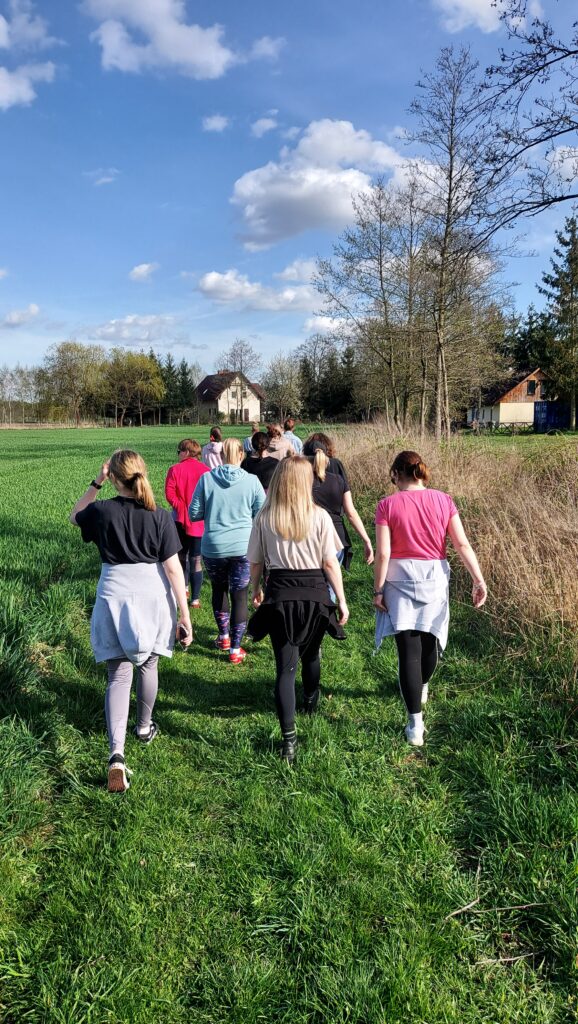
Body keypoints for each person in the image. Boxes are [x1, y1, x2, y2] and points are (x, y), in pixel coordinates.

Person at [70, 450, 192, 793]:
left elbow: (74, 516)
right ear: (143, 473)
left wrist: (96, 482)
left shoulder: (101, 511)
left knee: (118, 675)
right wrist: (185, 615)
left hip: (114, 595)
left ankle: (116, 754)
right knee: (149, 664)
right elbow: (173, 569)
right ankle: (144, 727)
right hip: (152, 596)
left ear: (114, 477)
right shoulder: (160, 516)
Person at [373, 450, 487, 748]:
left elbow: (383, 553)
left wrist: (378, 589)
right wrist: (478, 579)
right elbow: (461, 544)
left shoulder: (386, 505)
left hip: (398, 580)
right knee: (431, 640)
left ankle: (415, 725)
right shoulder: (444, 500)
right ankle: (423, 686)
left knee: (407, 653)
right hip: (434, 578)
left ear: (397, 474)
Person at [248, 457, 349, 764]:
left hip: (280, 596)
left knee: (285, 669)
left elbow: (256, 562)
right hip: (315, 596)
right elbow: (330, 562)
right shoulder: (320, 516)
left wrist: (256, 588)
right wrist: (341, 599)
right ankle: (310, 699)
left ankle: (289, 740)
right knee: (312, 654)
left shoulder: (265, 517)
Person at [189, 437, 265, 664]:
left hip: (213, 547)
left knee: (219, 589)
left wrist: (214, 510)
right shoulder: (252, 481)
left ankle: (223, 637)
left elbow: (194, 513)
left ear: (221, 456)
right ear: (241, 455)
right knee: (239, 594)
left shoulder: (206, 479)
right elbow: (262, 514)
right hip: (243, 547)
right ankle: (235, 648)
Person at [302, 436, 374, 570]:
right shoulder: (339, 480)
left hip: (306, 537)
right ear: (325, 458)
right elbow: (351, 513)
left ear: (304, 459)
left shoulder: (297, 482)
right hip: (336, 538)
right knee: (332, 581)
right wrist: (366, 540)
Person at [165, 439, 209, 609]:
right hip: (200, 522)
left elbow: (169, 494)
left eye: (179, 451)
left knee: (181, 557)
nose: (178, 455)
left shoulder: (175, 470)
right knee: (196, 559)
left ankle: (183, 589)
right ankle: (195, 600)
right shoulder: (206, 471)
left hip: (178, 521)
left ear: (186, 452)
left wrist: (181, 507)